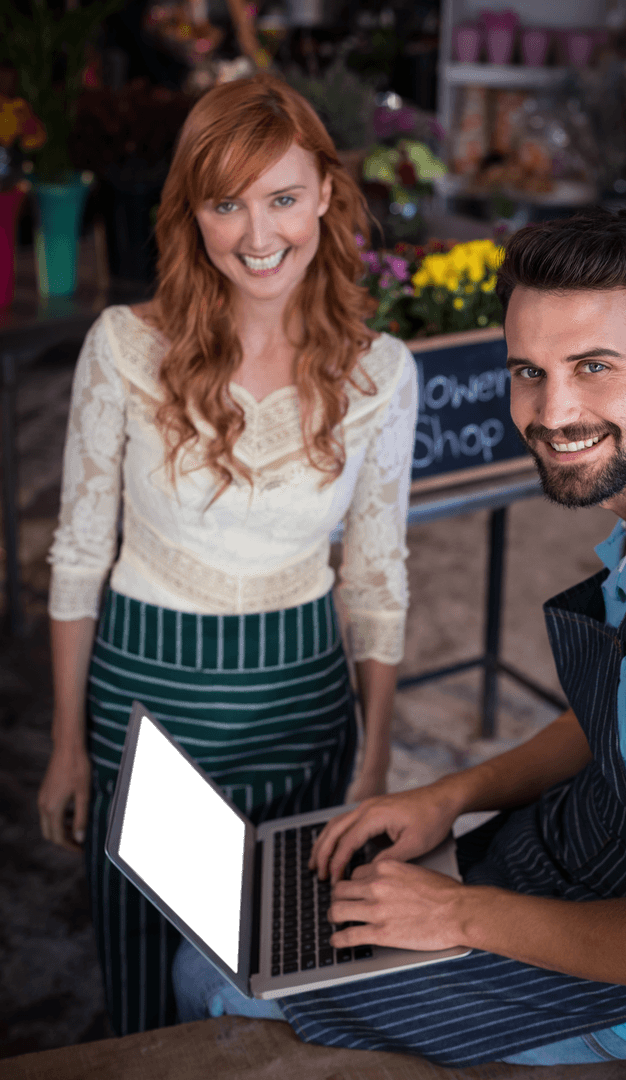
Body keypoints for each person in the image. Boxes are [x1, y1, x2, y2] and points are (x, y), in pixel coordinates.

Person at [174, 208, 626, 1066]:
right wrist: (449, 797)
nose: (555, 411)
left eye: (593, 367)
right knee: (297, 909)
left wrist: (455, 913)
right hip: (576, 857)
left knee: (212, 969)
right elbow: (621, 722)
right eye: (529, 372)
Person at [37, 72, 418, 1036]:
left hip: (303, 700)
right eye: (226, 203)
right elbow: (79, 552)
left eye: (283, 198)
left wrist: (373, 762)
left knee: (282, 990)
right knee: (144, 991)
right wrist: (68, 742)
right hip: (147, 707)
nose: (258, 235)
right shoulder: (123, 347)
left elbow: (375, 576)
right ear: (191, 211)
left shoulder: (382, 373)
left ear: (327, 194)